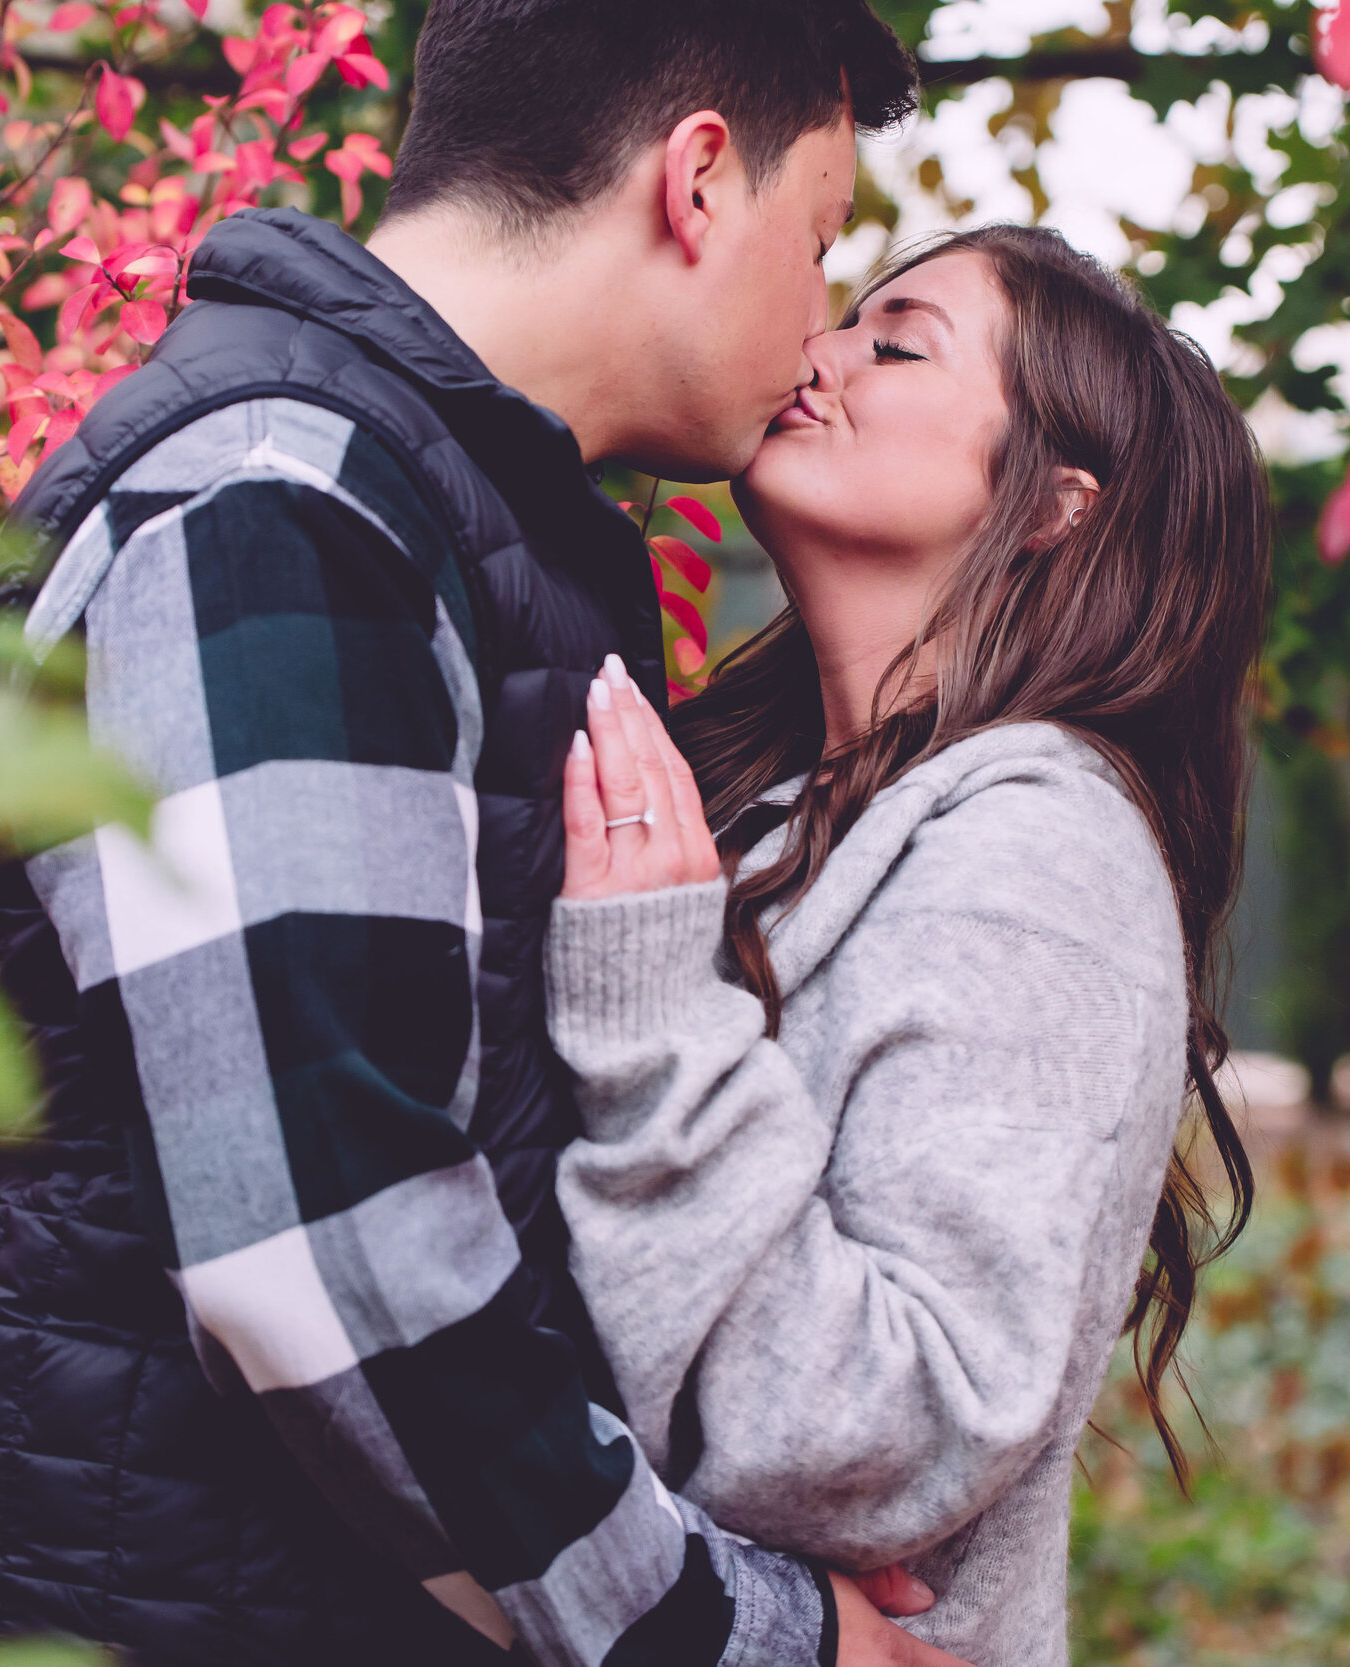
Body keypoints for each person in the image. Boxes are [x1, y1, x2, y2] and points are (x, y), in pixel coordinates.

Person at [0, 4, 966, 1665]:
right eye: (819, 246)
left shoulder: (431, 511)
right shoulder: (276, 508)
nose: (819, 333)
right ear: (700, 186)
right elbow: (326, 1251)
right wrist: (741, 1638)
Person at [546, 226, 1270, 1666]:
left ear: (1054, 504)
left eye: (895, 341)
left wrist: (647, 1015)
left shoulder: (1042, 856)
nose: (816, 353)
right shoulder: (767, 802)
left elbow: (888, 1437)